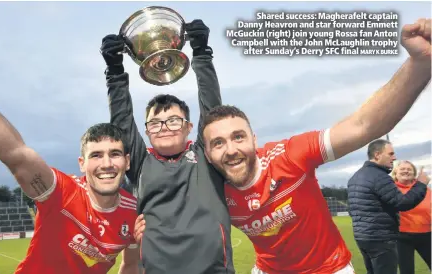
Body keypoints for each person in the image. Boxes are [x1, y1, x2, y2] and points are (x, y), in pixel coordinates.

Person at [135, 18, 432, 274]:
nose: (230, 149)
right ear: (206, 153)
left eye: (238, 137)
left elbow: (364, 125)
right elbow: (175, 209)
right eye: (218, 143)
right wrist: (147, 228)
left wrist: (421, 63)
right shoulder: (215, 187)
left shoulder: (291, 156)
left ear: (254, 139)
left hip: (328, 268)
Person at [0, 31, 140, 274]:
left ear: (126, 162)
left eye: (114, 154)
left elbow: (131, 264)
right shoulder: (62, 192)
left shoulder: (135, 212)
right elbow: (14, 151)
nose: (106, 163)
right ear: (82, 164)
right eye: (96, 155)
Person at [100, 19, 234, 274]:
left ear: (188, 126)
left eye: (173, 120)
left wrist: (202, 54)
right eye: (155, 123)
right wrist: (115, 71)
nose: (164, 127)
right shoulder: (140, 163)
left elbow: (212, 108)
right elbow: (122, 120)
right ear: (147, 131)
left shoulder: (206, 155)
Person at [347, 140, 428, 274]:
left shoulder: (355, 177)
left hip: (362, 237)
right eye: (390, 154)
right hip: (381, 239)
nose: (394, 158)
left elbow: (352, 210)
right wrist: (420, 184)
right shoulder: (379, 177)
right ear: (377, 155)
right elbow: (403, 203)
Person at [391, 160, 431, 274]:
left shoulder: (425, 189)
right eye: (402, 169)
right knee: (406, 271)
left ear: (414, 173)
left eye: (409, 169)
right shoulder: (391, 189)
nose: (406, 171)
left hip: (427, 234)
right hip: (401, 237)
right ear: (395, 173)